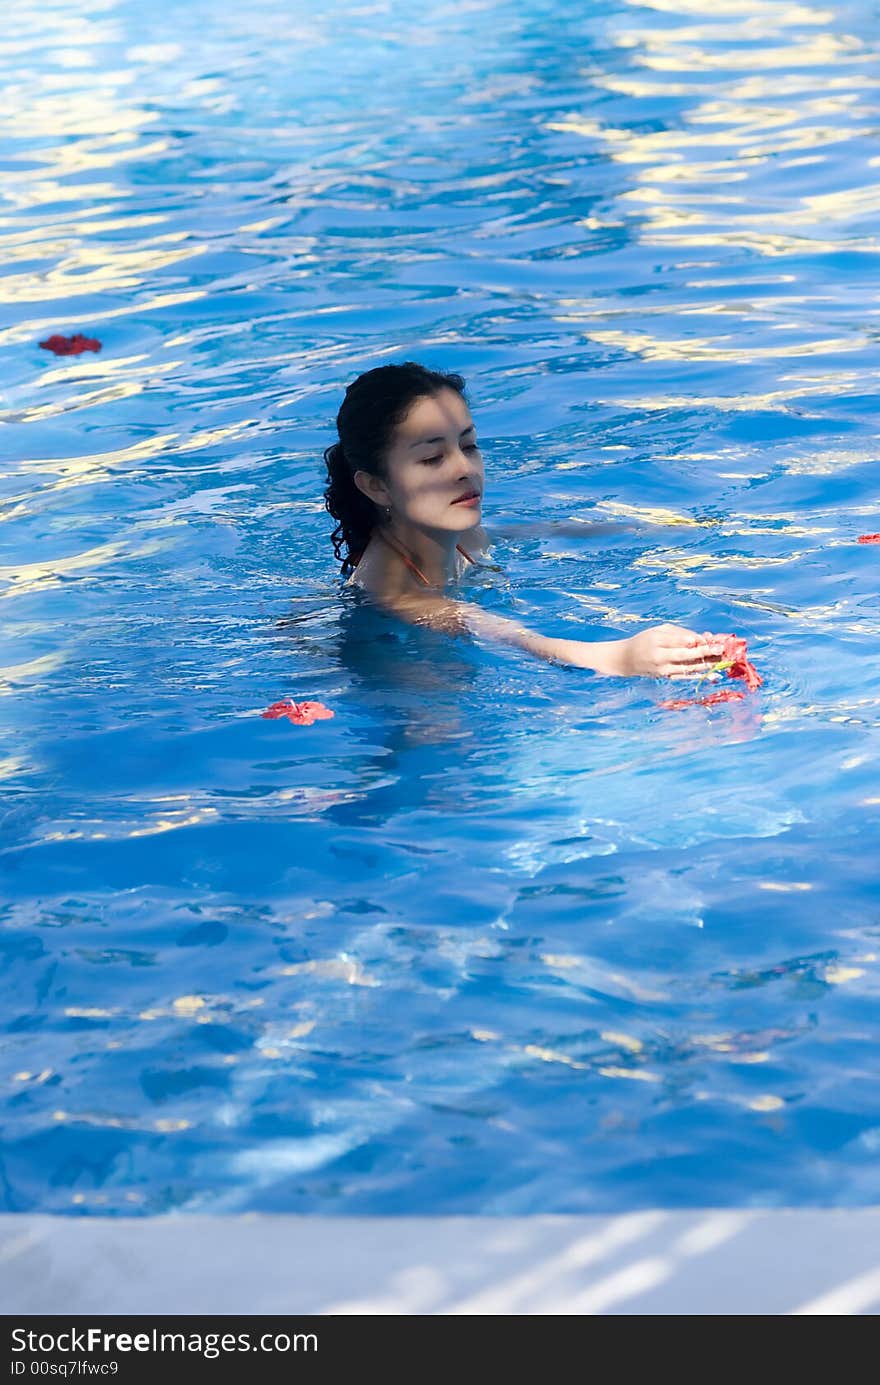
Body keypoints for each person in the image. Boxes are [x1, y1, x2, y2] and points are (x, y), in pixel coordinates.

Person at [323, 361, 726, 679]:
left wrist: (647, 532)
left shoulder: (461, 535)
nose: (465, 469)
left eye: (469, 445)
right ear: (376, 486)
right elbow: (513, 636)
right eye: (432, 458)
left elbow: (534, 533)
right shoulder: (398, 595)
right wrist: (622, 657)